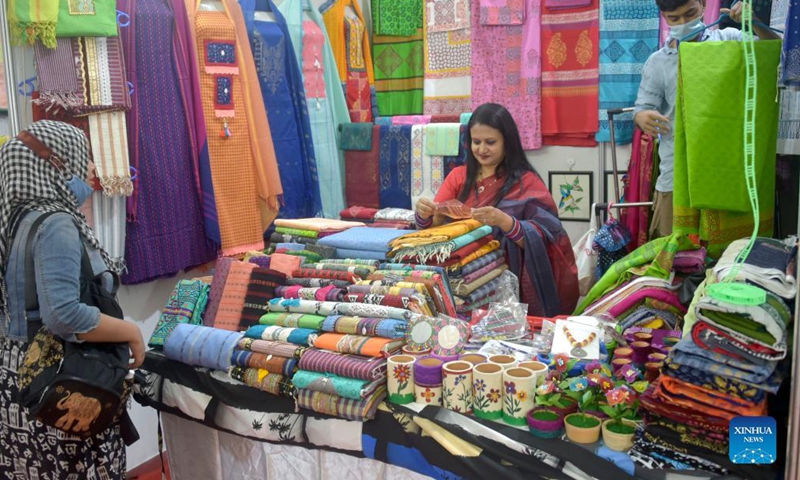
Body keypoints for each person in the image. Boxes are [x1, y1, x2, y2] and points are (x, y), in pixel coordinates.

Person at [0, 120, 144, 479]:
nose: (92, 172)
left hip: (16, 372)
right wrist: (131, 332)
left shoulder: (12, 220)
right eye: (85, 161)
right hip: (57, 379)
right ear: (57, 166)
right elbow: (64, 315)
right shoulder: (56, 224)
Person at [415, 103, 579, 316]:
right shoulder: (458, 177)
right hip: (459, 285)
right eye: (476, 142)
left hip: (507, 288)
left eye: (490, 142)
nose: (482, 149)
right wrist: (423, 214)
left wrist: (505, 222)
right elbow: (434, 230)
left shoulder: (526, 183)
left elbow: (550, 239)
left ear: (507, 142)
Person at [634, 0, 779, 239]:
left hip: (727, 170)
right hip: (677, 175)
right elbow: (643, 107)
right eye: (674, 18)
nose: (683, 23)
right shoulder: (657, 62)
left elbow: (773, 50)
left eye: (689, 13)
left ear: (703, 6)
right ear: (664, 18)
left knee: (729, 260)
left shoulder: (729, 40)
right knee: (676, 261)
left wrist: (754, 23)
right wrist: (641, 116)